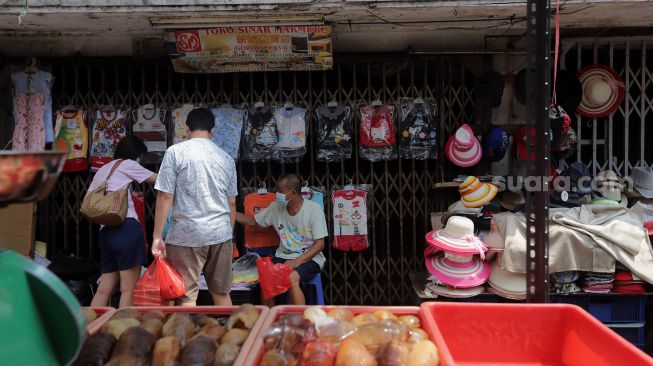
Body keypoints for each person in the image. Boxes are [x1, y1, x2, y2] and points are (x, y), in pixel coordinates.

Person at [152, 108, 238, 306]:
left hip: (186, 235)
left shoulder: (175, 152)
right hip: (220, 234)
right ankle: (231, 334)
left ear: (186, 128)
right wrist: (229, 235)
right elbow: (231, 201)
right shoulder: (226, 158)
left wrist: (157, 236)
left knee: (186, 295)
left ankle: (184, 337)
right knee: (222, 293)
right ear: (213, 130)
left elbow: (165, 196)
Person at [235, 174, 327, 305]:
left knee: (292, 278)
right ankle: (269, 318)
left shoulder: (313, 210)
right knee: (266, 278)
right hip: (283, 255)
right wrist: (229, 212)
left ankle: (298, 321)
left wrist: (296, 261)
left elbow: (320, 244)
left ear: (293, 193)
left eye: (280, 190)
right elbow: (252, 221)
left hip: (310, 257)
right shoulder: (276, 207)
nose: (276, 193)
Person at [88, 136, 157, 308]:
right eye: (141, 156)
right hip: (126, 229)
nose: (141, 160)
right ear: (136, 154)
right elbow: (158, 180)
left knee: (104, 288)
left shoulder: (103, 169)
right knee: (128, 289)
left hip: (106, 233)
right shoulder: (128, 165)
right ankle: (122, 329)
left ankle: (90, 327)